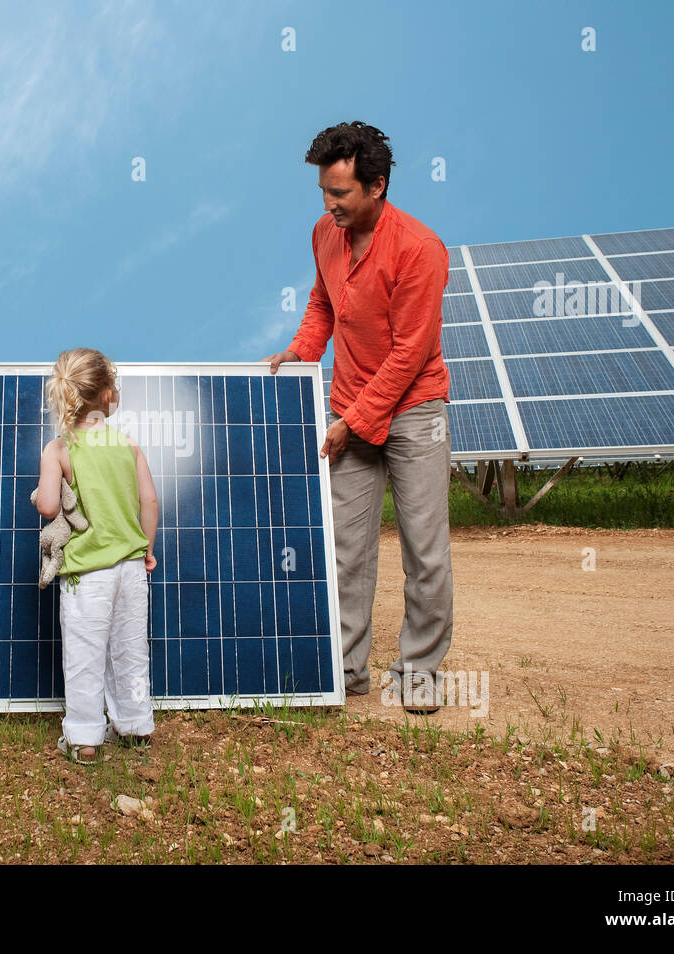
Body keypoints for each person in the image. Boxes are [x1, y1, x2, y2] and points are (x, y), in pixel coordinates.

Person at [265, 121, 453, 714]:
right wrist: (299, 351)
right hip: (349, 405)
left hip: (415, 410)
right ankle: (343, 669)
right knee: (345, 548)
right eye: (324, 191)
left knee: (424, 549)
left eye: (340, 193)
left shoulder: (420, 250)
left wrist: (353, 421)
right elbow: (322, 303)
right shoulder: (325, 233)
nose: (329, 204)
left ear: (376, 187)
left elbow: (410, 354)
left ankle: (418, 671)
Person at [36, 349, 159, 764]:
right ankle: (136, 726)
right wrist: (147, 548)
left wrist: (43, 495)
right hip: (130, 570)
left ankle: (86, 739)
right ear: (109, 396)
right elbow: (150, 500)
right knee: (129, 650)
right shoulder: (127, 444)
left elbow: (50, 508)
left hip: (87, 575)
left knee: (85, 654)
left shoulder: (58, 449)